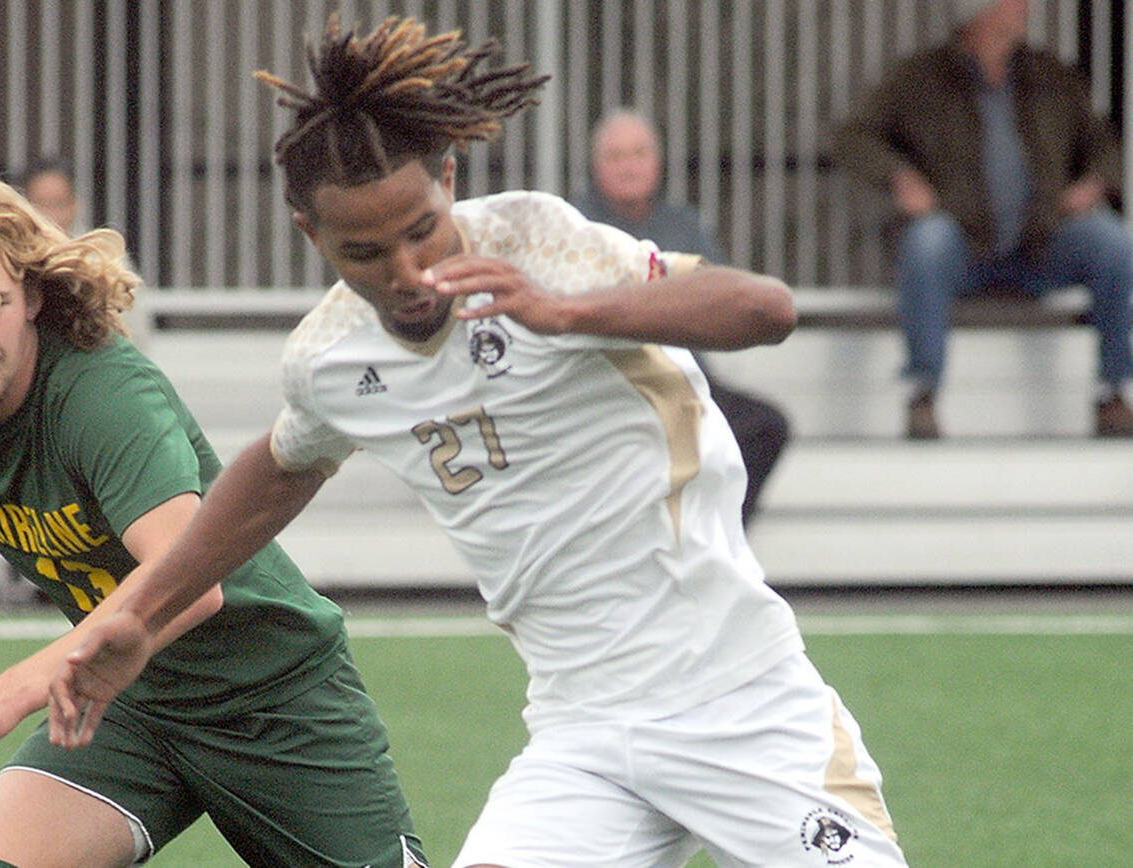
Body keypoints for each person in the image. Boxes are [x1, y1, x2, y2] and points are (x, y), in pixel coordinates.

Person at [48, 16, 908, 868]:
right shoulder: (329, 358)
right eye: (366, 251)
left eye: (422, 228)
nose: (408, 270)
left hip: (740, 699)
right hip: (581, 733)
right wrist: (143, 613)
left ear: (449, 178)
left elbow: (766, 310)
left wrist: (566, 313)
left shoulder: (542, 240)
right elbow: (279, 469)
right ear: (311, 236)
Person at [0, 173, 427, 868]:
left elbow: (187, 583)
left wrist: (11, 689)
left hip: (271, 701)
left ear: (27, 296)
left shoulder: (102, 395)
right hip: (123, 704)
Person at [832, 0, 1133, 439]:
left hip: (1042, 239)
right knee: (926, 243)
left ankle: (1113, 390)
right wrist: (899, 177)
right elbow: (854, 136)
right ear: (979, 10)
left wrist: (1095, 182)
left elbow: (1102, 141)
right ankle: (923, 392)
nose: (1024, 8)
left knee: (1112, 242)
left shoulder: (1049, 74)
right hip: (962, 241)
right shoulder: (920, 77)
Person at [574, 108, 791, 524]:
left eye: (638, 154)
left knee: (767, 426)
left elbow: (719, 301)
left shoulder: (685, 224)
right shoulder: (576, 227)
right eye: (615, 157)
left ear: (657, 162)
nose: (628, 166)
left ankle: (717, 536)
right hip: (610, 386)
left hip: (689, 383)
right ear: (596, 166)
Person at [23, 158, 82, 236]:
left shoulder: (88, 247)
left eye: (58, 204)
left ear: (74, 206)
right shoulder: (11, 247)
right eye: (39, 205)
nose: (49, 215)